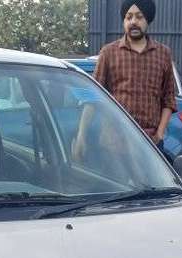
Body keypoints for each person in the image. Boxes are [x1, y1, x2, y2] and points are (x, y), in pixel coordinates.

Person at [74, 0, 176, 158]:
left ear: (147, 20)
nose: (133, 22)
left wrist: (160, 134)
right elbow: (92, 98)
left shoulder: (163, 54)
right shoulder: (109, 53)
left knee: (152, 184)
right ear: (124, 21)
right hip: (113, 145)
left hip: (150, 145)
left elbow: (169, 99)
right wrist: (81, 136)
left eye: (139, 17)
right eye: (129, 17)